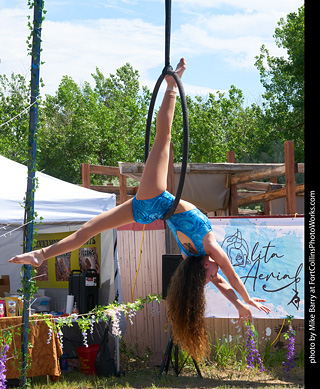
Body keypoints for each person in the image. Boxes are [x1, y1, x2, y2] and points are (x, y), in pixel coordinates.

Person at [9, 58, 270, 359]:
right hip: (152, 213)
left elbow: (229, 275)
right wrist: (241, 305)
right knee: (89, 229)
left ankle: (172, 87)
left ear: (203, 267)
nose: (214, 273)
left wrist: (247, 299)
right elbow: (225, 283)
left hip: (153, 201)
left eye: (209, 274)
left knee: (164, 139)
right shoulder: (198, 257)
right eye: (212, 274)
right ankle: (40, 254)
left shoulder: (206, 248)